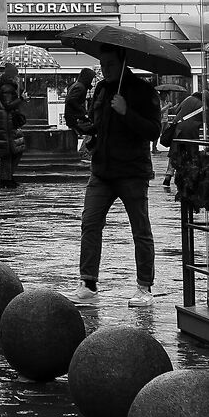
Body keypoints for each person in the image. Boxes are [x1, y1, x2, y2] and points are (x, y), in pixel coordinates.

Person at [78, 49, 160, 293]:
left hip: (132, 171)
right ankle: (88, 282)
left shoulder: (143, 91)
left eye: (110, 64)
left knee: (140, 230)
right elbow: (101, 127)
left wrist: (126, 112)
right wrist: (90, 131)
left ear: (123, 63)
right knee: (90, 223)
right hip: (102, 170)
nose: (105, 69)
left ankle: (144, 286)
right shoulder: (102, 89)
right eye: (102, 64)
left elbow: (153, 131)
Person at [0, 63, 26, 190]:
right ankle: (6, 179)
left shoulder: (7, 86)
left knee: (11, 152)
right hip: (8, 123)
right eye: (17, 75)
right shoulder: (7, 87)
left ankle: (7, 178)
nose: (18, 78)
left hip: (6, 122)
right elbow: (8, 105)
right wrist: (21, 99)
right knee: (12, 152)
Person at [63, 66, 96, 152]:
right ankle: (89, 147)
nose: (91, 81)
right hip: (74, 117)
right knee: (93, 129)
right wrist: (82, 111)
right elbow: (71, 100)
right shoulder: (80, 87)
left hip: (72, 116)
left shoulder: (77, 85)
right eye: (91, 79)